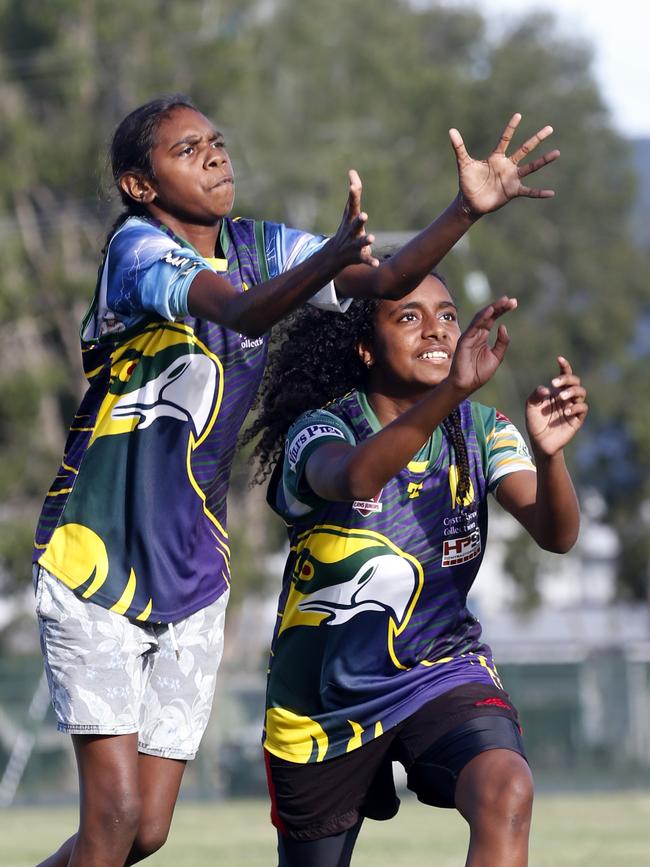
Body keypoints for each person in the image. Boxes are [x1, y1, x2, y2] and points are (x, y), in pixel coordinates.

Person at [32, 92, 559, 867]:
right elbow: (243, 312)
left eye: (215, 141)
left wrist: (464, 211)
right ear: (139, 186)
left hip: (193, 577)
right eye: (187, 150)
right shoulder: (137, 252)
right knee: (111, 817)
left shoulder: (258, 241)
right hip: (96, 558)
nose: (215, 155)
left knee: (145, 830)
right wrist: (332, 257)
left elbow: (383, 281)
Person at [248, 272, 588, 867]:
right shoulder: (322, 429)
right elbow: (356, 477)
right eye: (408, 317)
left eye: (448, 316)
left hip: (440, 670)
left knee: (506, 787)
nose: (436, 330)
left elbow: (556, 534)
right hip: (322, 704)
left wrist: (551, 456)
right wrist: (447, 395)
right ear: (364, 346)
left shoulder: (481, 431)